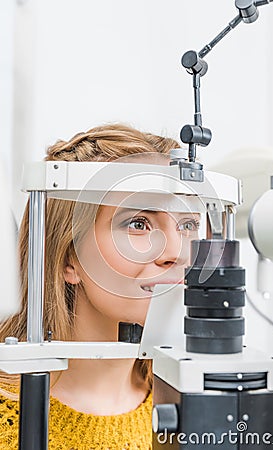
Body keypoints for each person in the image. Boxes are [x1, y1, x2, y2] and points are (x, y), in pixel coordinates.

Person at [0, 123, 201, 449]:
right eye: (139, 223)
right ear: (70, 258)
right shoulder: (8, 420)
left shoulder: (199, 402)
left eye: (188, 224)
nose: (176, 253)